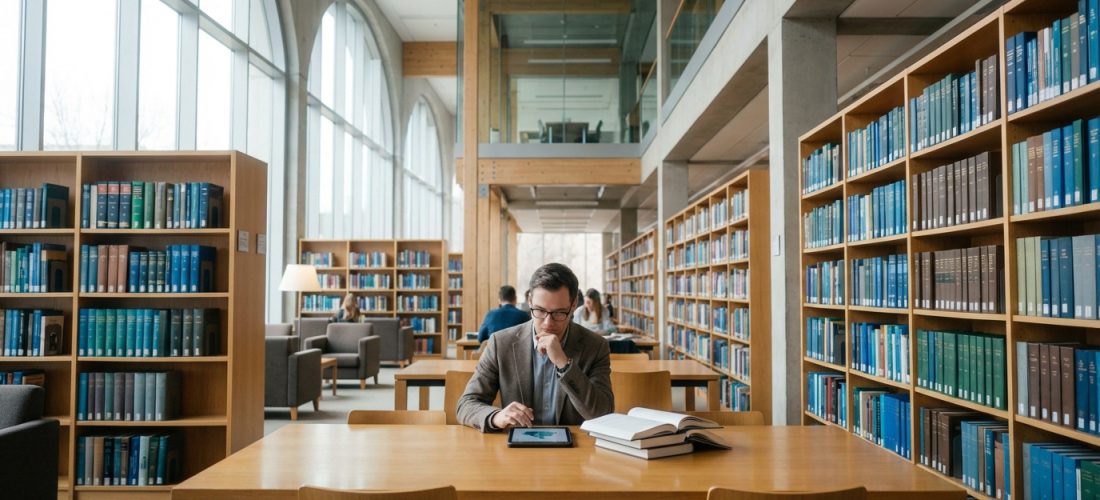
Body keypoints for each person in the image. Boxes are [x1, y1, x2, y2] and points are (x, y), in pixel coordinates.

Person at [457, 263, 614, 431]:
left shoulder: (596, 346)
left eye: (559, 313)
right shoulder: (500, 343)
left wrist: (564, 364)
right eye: (539, 310)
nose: (548, 323)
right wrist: (497, 417)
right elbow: (466, 405)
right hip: (517, 449)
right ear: (530, 300)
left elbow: (602, 414)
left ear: (574, 304)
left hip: (573, 450)